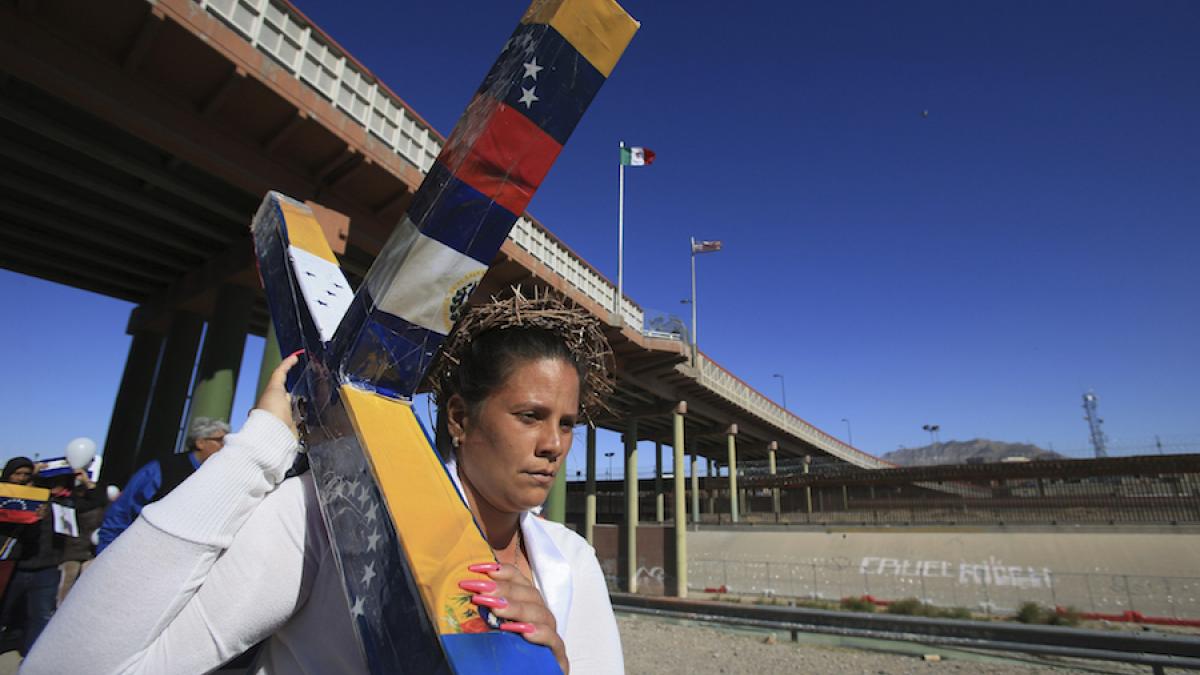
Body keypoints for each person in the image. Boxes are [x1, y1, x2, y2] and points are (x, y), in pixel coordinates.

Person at [25, 290, 623, 674]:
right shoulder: (333, 516)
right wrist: (257, 452)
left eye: (567, 423)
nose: (555, 444)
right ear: (461, 418)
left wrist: (557, 663)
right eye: (530, 416)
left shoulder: (571, 560)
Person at [95, 417, 229, 553]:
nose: (227, 447)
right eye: (221, 441)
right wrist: (105, 552)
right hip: (140, 551)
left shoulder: (222, 478)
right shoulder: (161, 469)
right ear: (200, 442)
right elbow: (123, 511)